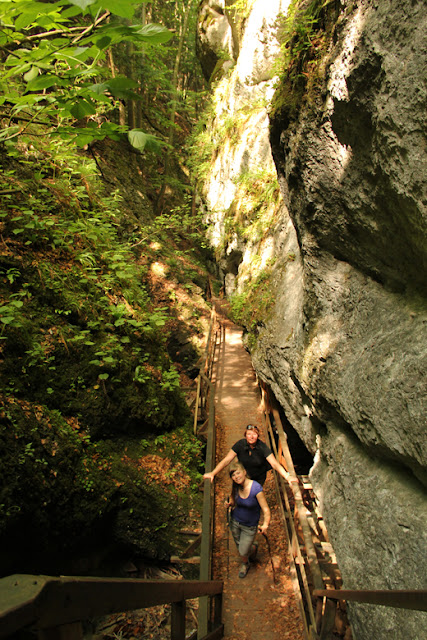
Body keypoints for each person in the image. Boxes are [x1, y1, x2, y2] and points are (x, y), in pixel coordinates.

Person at [204, 424, 296, 486]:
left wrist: (287, 477)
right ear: (245, 435)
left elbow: (274, 464)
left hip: (258, 478)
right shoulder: (240, 444)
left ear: (258, 436)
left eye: (254, 434)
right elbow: (226, 460)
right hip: (243, 476)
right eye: (249, 434)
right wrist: (213, 473)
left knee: (253, 497)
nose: (251, 437)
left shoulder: (262, 447)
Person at [226, 462, 270, 578]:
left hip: (249, 526)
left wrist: (265, 524)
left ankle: (245, 564)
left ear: (245, 472)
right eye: (234, 475)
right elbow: (232, 499)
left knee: (243, 551)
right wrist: (229, 503)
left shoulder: (256, 488)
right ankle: (252, 548)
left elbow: (266, 509)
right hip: (235, 521)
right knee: (239, 544)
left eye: (238, 473)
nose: (237, 477)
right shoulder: (235, 486)